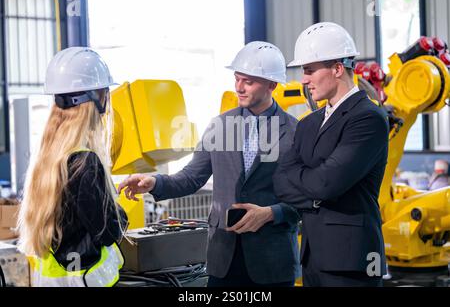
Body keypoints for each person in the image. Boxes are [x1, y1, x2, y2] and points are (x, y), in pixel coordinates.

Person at [119, 41, 301, 287]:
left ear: (272, 84)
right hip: (224, 258)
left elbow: (307, 197)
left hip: (273, 261)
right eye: (237, 79)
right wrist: (154, 182)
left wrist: (272, 213)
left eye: (248, 81)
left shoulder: (295, 132)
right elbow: (192, 177)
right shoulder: (219, 126)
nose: (239, 87)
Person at [274, 22, 389, 287]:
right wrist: (314, 193)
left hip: (353, 261)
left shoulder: (369, 118)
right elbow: (280, 181)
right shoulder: (307, 123)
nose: (303, 79)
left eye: (310, 70)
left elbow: (326, 184)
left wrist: (310, 185)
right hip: (312, 258)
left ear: (338, 68)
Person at [17, 47, 128, 287]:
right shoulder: (84, 163)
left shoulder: (47, 158)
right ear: (97, 100)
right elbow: (109, 232)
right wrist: (117, 209)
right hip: (84, 279)